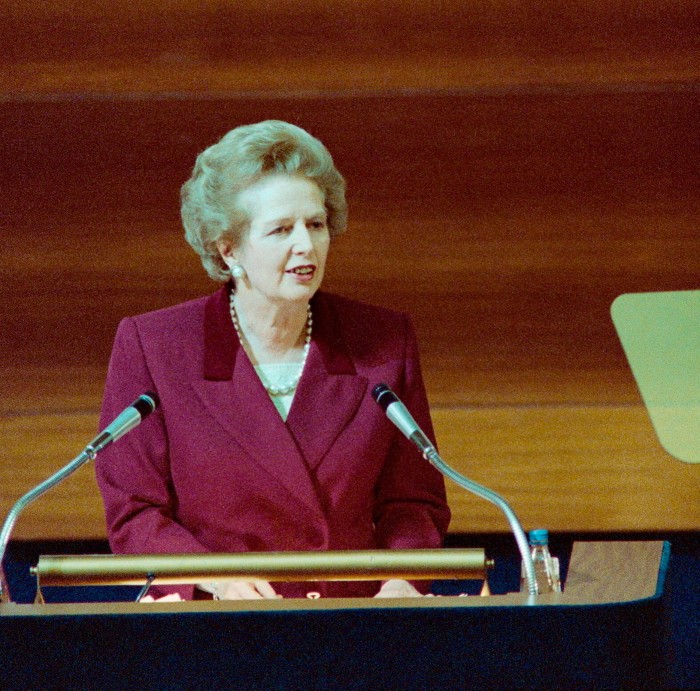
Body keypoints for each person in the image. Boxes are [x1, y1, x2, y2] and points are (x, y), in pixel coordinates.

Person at [95, 120, 450, 600]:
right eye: (281, 229)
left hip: (350, 623)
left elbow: (414, 502)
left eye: (316, 224)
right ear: (230, 248)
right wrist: (213, 577)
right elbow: (134, 511)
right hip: (216, 626)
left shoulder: (384, 340)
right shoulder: (155, 346)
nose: (306, 245)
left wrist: (401, 582)